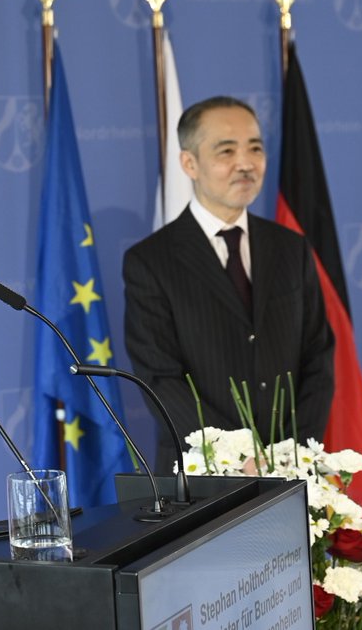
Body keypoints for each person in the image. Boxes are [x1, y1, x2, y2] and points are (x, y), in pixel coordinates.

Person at [123, 96, 334, 472]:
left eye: (255, 148)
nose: (245, 163)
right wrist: (237, 456)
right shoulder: (151, 261)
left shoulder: (291, 248)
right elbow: (159, 378)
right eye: (226, 151)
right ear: (189, 163)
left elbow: (318, 357)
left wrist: (292, 453)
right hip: (202, 474)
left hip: (290, 468)